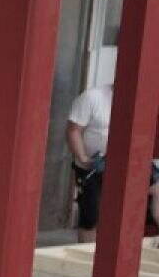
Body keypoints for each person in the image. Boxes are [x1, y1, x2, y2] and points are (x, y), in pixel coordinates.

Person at [65, 80, 159, 243]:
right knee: (91, 216)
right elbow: (73, 130)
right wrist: (83, 158)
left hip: (129, 162)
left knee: (157, 189)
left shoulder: (142, 101)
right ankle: (89, 255)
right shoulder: (92, 97)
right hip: (95, 165)